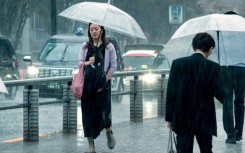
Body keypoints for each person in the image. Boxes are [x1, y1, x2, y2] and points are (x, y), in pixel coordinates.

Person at [165, 32, 224, 153]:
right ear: (210, 49)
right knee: (206, 149)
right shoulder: (213, 67)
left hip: (183, 117)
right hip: (205, 117)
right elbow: (221, 94)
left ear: (193, 46)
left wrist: (170, 118)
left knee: (184, 150)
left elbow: (171, 93)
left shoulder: (178, 64)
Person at [78, 23, 117, 153]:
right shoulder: (84, 46)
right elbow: (80, 63)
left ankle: (109, 131)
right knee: (88, 115)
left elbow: (113, 65)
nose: (94, 31)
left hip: (103, 86)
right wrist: (89, 62)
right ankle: (90, 145)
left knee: (104, 112)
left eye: (96, 29)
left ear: (101, 30)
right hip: (88, 87)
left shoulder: (109, 47)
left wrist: (103, 80)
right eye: (91, 29)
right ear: (89, 31)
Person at [220, 11, 245, 144]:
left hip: (226, 68)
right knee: (240, 101)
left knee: (227, 101)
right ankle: (238, 133)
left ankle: (230, 134)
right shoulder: (243, 31)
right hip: (242, 69)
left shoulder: (222, 32)